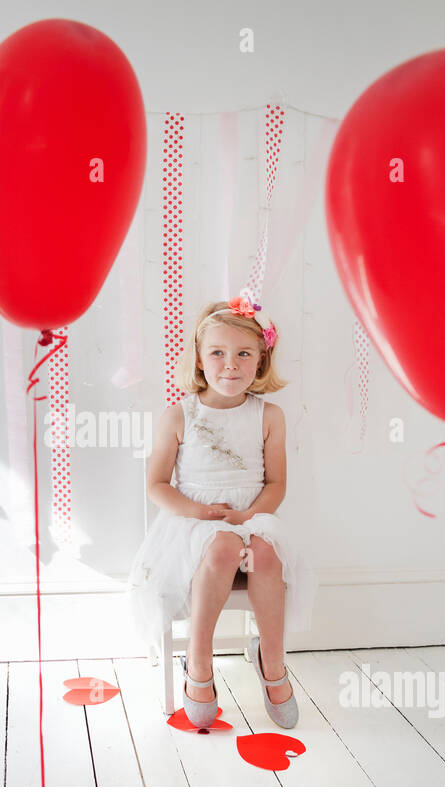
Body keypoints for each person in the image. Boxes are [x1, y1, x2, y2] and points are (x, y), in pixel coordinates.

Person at [128, 291, 317, 729]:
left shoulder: (268, 416)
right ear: (198, 359)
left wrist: (248, 519)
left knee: (267, 555)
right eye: (217, 353)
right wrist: (198, 512)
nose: (230, 364)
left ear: (260, 362)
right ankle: (199, 660)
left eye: (243, 353)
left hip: (252, 521)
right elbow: (157, 485)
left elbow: (276, 483)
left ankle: (272, 662)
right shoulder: (179, 416)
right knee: (220, 549)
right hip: (194, 527)